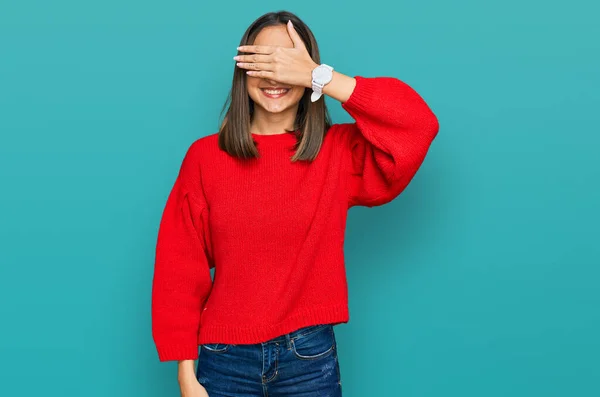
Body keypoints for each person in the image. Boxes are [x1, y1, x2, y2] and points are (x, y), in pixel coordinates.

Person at [151, 10, 439, 397]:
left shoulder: (337, 152)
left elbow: (417, 125)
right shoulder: (205, 158)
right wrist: (186, 375)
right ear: (243, 72)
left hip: (308, 359)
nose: (275, 76)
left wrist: (320, 76)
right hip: (222, 360)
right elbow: (179, 269)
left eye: (287, 63)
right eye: (264, 62)